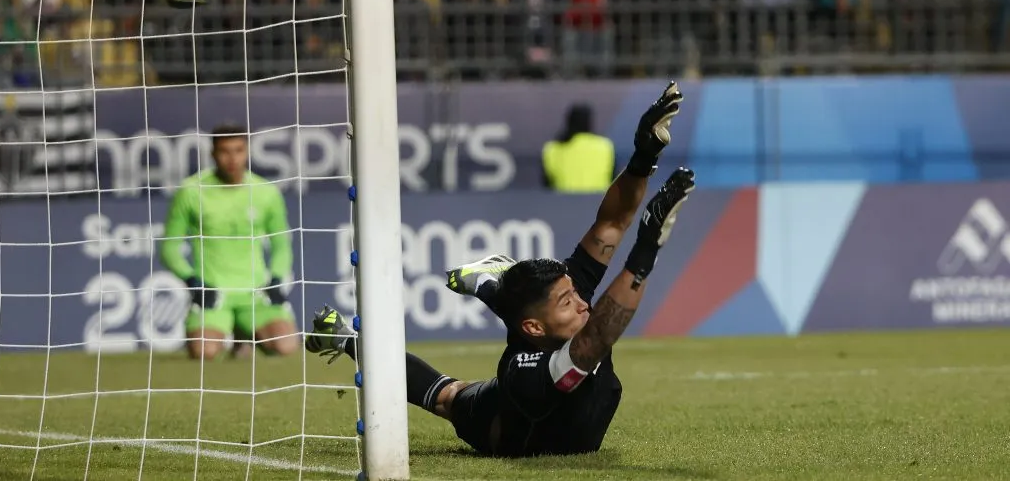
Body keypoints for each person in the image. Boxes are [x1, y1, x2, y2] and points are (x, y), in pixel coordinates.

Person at [306, 82, 695, 457]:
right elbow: (596, 336)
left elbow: (610, 225)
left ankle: (495, 283)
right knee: (449, 396)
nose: (581, 303)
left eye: (575, 294)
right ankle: (344, 337)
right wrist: (646, 250)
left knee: (545, 298)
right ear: (535, 328)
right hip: (499, 427)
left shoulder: (564, 299)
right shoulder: (527, 377)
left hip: (546, 354)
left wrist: (643, 158)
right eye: (567, 300)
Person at [160, 123, 299, 360]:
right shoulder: (192, 191)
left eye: (238, 150)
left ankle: (246, 334)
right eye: (224, 151)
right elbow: (170, 248)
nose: (232, 158)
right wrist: (193, 282)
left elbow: (281, 245)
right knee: (204, 352)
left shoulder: (266, 193)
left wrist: (275, 279)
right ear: (213, 154)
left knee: (286, 346)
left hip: (255, 293)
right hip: (213, 293)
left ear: (247, 151)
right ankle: (225, 330)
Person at [542, 104, 616, 193]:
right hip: (598, 204)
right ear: (589, 122)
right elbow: (615, 181)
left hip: (562, 205)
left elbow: (546, 187)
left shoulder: (552, 149)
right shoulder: (605, 147)